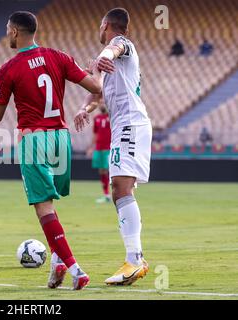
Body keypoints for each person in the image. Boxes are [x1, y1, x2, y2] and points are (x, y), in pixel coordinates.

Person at [0, 11, 106, 290]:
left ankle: (75, 269)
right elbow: (96, 88)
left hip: (34, 140)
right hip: (60, 138)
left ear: (14, 32)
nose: (6, 34)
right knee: (50, 204)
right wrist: (96, 68)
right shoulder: (59, 56)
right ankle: (57, 264)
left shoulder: (9, 69)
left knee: (43, 207)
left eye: (7, 29)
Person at [74, 8, 151, 286]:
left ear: (105, 24)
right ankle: (135, 258)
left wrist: (103, 57)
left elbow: (113, 49)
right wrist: (85, 108)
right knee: (120, 190)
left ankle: (135, 259)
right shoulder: (111, 67)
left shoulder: (121, 45)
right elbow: (97, 92)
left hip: (130, 125)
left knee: (120, 188)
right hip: (125, 127)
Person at [86, 103, 111, 204]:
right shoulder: (96, 118)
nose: (102, 105)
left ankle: (115, 193)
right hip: (99, 148)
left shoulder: (112, 117)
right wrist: (91, 147)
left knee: (109, 170)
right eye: (100, 103)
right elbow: (95, 134)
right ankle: (106, 195)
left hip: (109, 147)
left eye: (104, 103)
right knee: (102, 171)